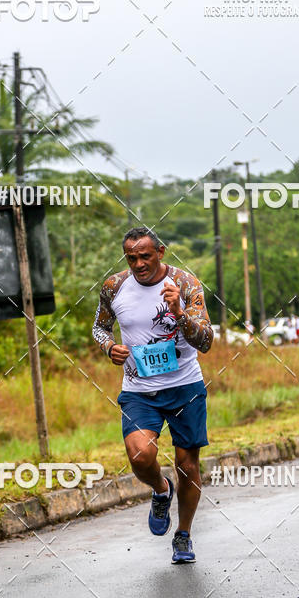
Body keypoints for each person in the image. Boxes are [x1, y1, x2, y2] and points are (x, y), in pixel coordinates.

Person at [92, 227, 214, 564]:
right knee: (140, 456)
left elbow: (205, 341)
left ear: (160, 252)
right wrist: (109, 347)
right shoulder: (114, 286)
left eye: (145, 256)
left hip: (184, 387)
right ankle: (161, 490)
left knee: (187, 465)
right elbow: (99, 327)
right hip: (139, 390)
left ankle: (184, 535)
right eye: (132, 258)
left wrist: (180, 313)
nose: (139, 264)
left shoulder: (186, 284)